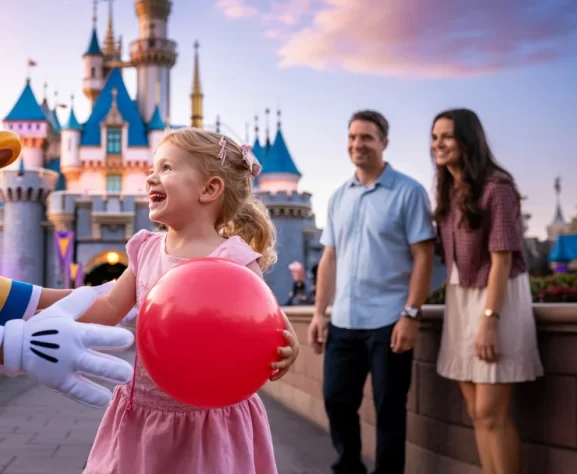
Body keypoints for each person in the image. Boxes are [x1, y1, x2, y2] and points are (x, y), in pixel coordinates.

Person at [73, 128, 300, 474]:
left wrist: (290, 346)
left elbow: (269, 321)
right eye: (153, 167)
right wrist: (28, 302)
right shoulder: (146, 249)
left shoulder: (235, 260)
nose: (150, 177)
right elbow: (105, 307)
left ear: (209, 189)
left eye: (166, 168)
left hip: (209, 425)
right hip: (143, 415)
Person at [308, 110, 435, 474]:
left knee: (389, 407)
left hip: (390, 321)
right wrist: (319, 313)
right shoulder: (338, 198)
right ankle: (348, 467)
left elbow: (423, 257)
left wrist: (411, 314)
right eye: (352, 137)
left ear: (383, 143)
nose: (357, 144)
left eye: (366, 137)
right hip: (344, 321)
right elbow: (329, 258)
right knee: (336, 400)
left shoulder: (409, 192)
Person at [430, 108, 543, 474]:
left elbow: (503, 261)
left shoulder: (498, 187)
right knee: (477, 412)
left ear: (468, 140)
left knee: (492, 412)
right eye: (434, 137)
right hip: (461, 299)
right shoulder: (447, 192)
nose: (438, 144)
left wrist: (489, 321)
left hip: (497, 299)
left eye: (446, 136)